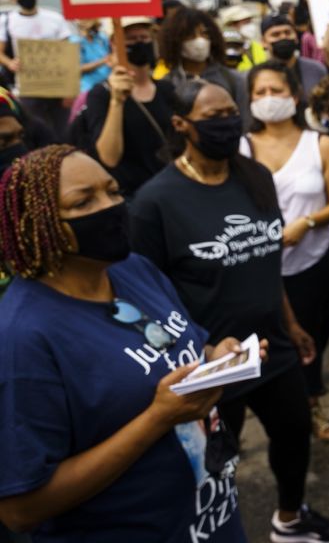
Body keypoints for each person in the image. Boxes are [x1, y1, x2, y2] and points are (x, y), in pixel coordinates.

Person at [130, 80, 329, 543]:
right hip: (209, 363)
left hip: (273, 347)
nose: (228, 122)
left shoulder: (255, 176)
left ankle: (291, 519)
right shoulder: (156, 201)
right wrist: (204, 350)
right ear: (180, 124)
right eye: (213, 116)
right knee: (216, 464)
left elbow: (267, 259)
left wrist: (291, 322)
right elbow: (147, 293)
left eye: (233, 111)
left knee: (293, 438)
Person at [0, 145, 257, 542]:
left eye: (113, 191)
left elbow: (177, 349)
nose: (110, 206)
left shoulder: (133, 269)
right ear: (37, 223)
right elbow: (21, 509)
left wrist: (216, 359)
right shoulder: (21, 337)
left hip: (214, 522)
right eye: (84, 201)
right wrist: (156, 419)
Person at [239, 61, 329, 443]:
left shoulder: (321, 145)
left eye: (277, 91)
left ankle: (312, 405)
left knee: (310, 336)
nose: (270, 100)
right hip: (257, 266)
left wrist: (309, 222)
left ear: (295, 95)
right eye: (260, 93)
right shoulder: (240, 148)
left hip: (311, 262)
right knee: (266, 342)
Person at [81, 17, 176, 199]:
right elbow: (109, 157)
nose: (140, 42)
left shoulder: (167, 89)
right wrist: (117, 102)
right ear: (114, 44)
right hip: (133, 197)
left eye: (144, 37)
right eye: (131, 39)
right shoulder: (101, 95)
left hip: (170, 191)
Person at [0, 0, 74, 139]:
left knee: (63, 131)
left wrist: (69, 88)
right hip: (28, 88)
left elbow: (67, 54)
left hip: (57, 86)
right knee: (35, 131)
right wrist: (10, 63)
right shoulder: (7, 21)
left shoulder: (54, 18)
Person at [158, 7, 248, 115]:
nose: (200, 40)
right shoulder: (167, 84)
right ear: (175, 41)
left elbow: (245, 121)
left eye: (204, 33)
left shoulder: (233, 80)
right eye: (190, 35)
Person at [260, 15, 328, 102]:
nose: (283, 37)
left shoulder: (316, 69)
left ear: (296, 37)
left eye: (287, 32)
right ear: (263, 42)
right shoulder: (258, 75)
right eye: (275, 34)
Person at [76, 18, 113, 93]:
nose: (97, 30)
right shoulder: (77, 42)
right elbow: (77, 69)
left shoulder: (102, 38)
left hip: (107, 85)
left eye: (97, 27)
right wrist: (103, 61)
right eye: (93, 28)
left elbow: (111, 56)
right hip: (88, 88)